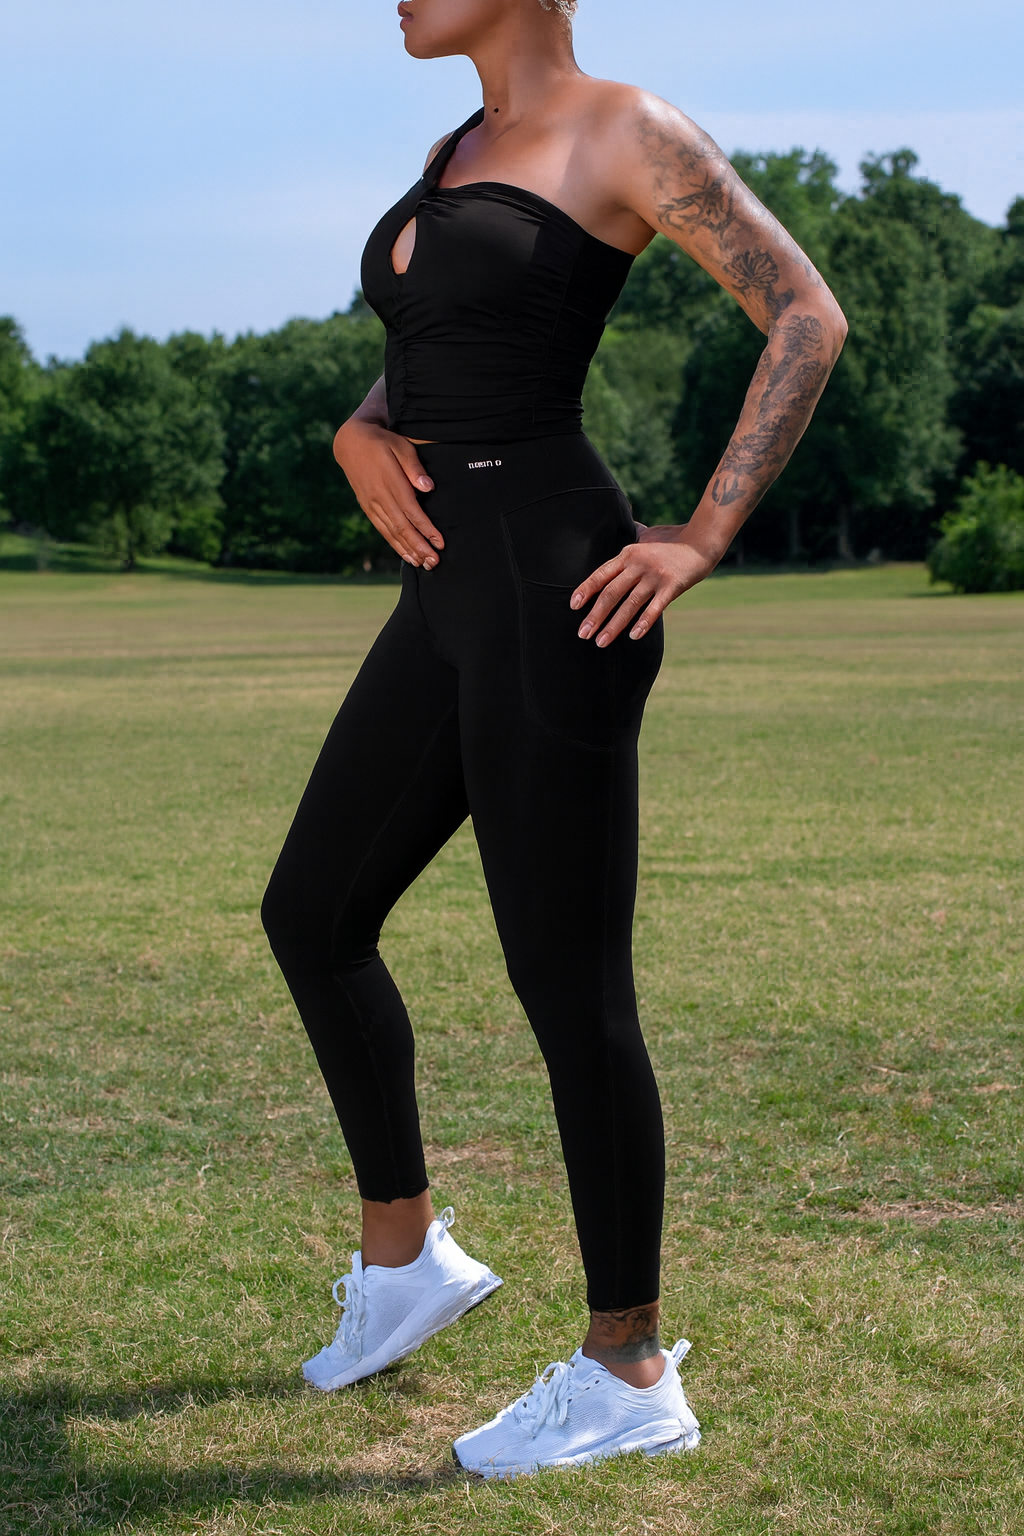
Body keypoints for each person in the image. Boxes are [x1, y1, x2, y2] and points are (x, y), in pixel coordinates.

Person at [261, 0, 846, 1479]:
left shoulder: (623, 128)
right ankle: (406, 1259)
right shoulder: (457, 144)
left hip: (556, 585)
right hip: (445, 589)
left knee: (568, 983)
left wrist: (701, 535)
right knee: (312, 912)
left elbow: (805, 313)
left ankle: (629, 1367)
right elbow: (450, 342)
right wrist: (359, 425)